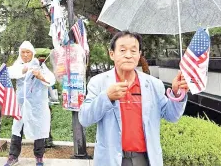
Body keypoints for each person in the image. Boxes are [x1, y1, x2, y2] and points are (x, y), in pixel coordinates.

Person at [79, 31, 188, 166]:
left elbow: (172, 116)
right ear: (112, 54)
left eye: (133, 50)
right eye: (123, 50)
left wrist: (177, 94)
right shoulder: (98, 82)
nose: (128, 55)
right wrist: (106, 97)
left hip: (145, 159)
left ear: (139, 55)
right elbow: (85, 118)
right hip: (111, 160)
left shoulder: (154, 84)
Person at [5, 41, 56, 166]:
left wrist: (40, 76)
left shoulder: (39, 65)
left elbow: (51, 79)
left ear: (32, 53)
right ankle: (13, 156)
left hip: (37, 105)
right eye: (23, 52)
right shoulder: (18, 64)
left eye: (28, 52)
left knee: (39, 128)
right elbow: (9, 72)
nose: (25, 55)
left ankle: (39, 157)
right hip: (21, 104)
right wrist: (24, 69)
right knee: (17, 128)